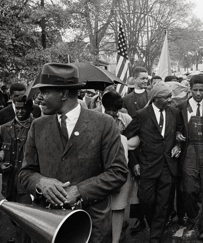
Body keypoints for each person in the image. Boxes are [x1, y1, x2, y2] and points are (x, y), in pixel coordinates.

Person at [19, 63, 129, 243]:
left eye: (45, 92)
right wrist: (41, 182)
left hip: (91, 226)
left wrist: (79, 191)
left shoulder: (104, 124)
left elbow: (118, 172)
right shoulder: (38, 126)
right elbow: (25, 173)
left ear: (63, 94)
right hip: (47, 225)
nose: (39, 98)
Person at [123, 81, 182, 243]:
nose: (170, 100)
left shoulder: (175, 112)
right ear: (156, 98)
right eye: (166, 97)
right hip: (147, 166)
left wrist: (177, 144)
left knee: (163, 203)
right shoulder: (142, 115)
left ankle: (155, 237)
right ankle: (154, 225)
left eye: (170, 96)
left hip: (168, 166)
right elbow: (125, 138)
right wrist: (134, 163)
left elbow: (180, 130)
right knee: (146, 200)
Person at [176, 74, 203, 240]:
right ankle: (195, 218)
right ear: (190, 89)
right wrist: (178, 134)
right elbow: (178, 128)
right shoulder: (181, 106)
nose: (198, 94)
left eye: (202, 90)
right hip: (190, 151)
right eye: (195, 90)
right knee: (188, 190)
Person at [100, 91, 140, 243]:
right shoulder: (94, 116)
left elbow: (136, 138)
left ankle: (115, 240)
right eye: (110, 111)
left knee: (119, 205)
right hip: (100, 168)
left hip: (121, 167)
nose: (113, 114)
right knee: (102, 206)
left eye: (116, 111)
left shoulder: (125, 118)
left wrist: (122, 141)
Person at [0, 95, 34, 243]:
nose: (19, 112)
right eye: (17, 108)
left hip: (26, 184)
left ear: (30, 109)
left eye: (23, 108)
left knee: (25, 219)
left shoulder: (37, 127)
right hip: (9, 183)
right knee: (13, 217)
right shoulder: (4, 128)